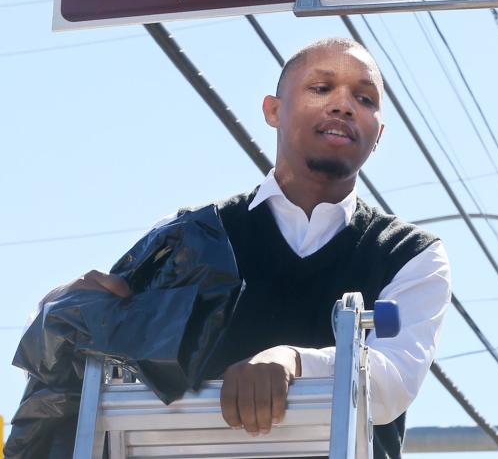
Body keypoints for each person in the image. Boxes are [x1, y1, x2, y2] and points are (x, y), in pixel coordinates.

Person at [44, 37, 451, 457]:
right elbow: (95, 352)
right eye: (321, 88)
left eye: (364, 98)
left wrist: (291, 362)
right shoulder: (189, 236)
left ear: (378, 133)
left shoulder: (411, 254)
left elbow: (391, 382)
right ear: (273, 111)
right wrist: (67, 306)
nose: (343, 105)